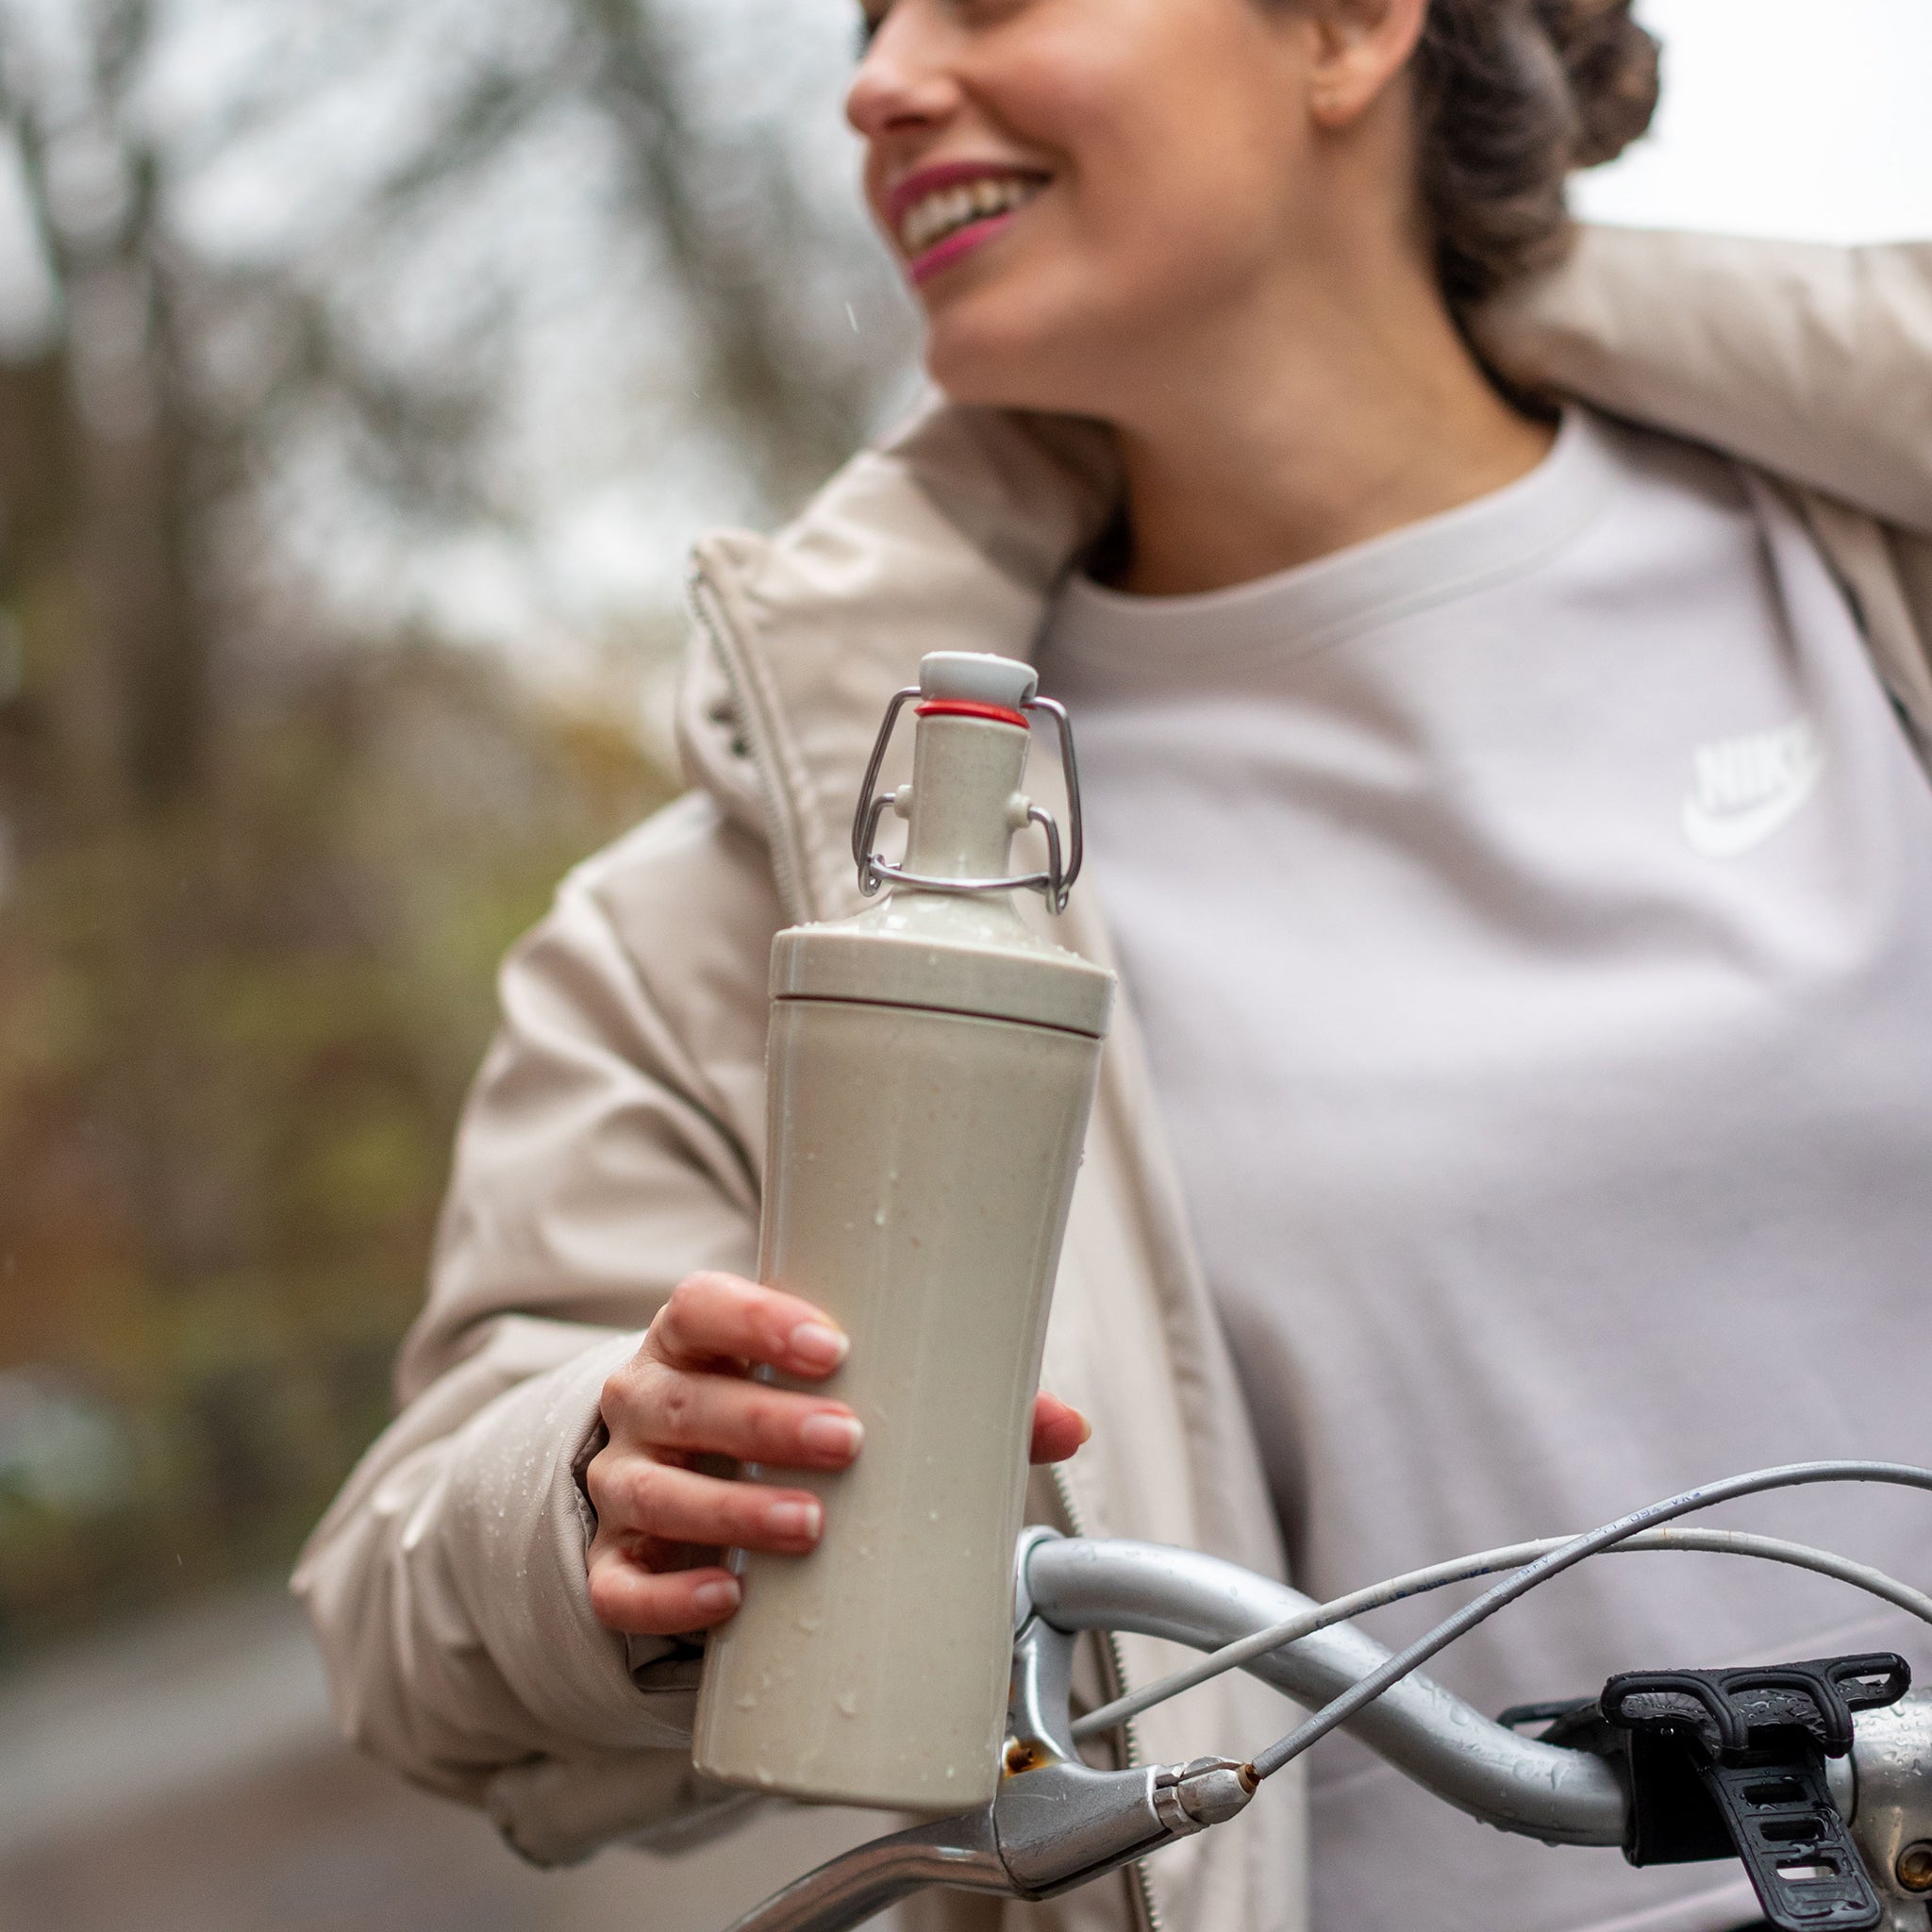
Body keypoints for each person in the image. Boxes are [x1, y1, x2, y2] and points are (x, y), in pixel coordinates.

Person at [295, 1, 1932, 1928]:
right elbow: (412, 1625)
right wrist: (594, 1494)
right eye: (871, 16)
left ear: (1344, 32)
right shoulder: (763, 899)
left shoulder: (1866, 568)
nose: (879, 79)